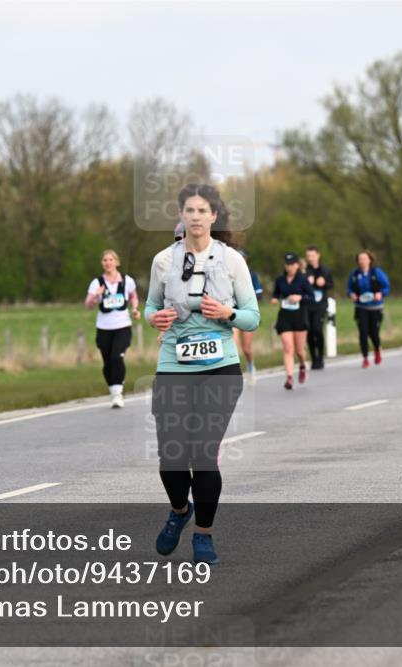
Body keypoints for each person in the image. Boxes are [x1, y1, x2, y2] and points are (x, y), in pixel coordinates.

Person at [145, 184, 259, 565]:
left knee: (203, 455)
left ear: (213, 216)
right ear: (181, 216)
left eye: (202, 210)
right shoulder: (163, 260)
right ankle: (180, 511)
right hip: (174, 366)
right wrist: (153, 318)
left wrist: (227, 315)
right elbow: (150, 307)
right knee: (171, 457)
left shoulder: (232, 261)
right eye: (188, 210)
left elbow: (253, 317)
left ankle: (204, 536)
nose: (195, 216)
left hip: (220, 368)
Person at [85, 250, 140, 408]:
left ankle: (118, 393)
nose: (108, 263)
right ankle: (113, 390)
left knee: (117, 357)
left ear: (117, 262)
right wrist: (96, 295)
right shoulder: (97, 283)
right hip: (104, 328)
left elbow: (133, 296)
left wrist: (135, 309)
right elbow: (88, 305)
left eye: (110, 259)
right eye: (104, 260)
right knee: (108, 362)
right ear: (102, 263)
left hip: (122, 326)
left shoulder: (127, 281)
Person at [272, 253, 316, 390]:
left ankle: (302, 364)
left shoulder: (302, 280)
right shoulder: (280, 280)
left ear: (297, 265)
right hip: (285, 316)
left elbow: (312, 297)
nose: (289, 267)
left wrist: (300, 298)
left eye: (292, 264)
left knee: (299, 350)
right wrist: (274, 299)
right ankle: (289, 378)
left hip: (299, 316)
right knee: (287, 347)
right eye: (287, 264)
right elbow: (276, 294)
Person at [347, 250, 390, 369]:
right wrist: (351, 294)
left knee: (374, 333)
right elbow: (349, 288)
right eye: (360, 259)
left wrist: (381, 294)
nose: (362, 261)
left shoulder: (377, 273)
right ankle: (365, 358)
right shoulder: (355, 274)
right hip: (361, 307)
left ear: (370, 260)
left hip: (375, 307)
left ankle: (377, 349)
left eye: (364, 259)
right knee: (363, 333)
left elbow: (386, 287)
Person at [231, 249, 262, 385]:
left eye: (242, 258)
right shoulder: (228, 274)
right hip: (232, 314)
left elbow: (259, 294)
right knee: (233, 345)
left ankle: (251, 366)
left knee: (247, 348)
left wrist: (245, 296)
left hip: (247, 314)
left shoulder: (251, 274)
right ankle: (234, 373)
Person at [304, 246, 334, 369]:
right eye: (308, 256)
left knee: (318, 329)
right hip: (307, 305)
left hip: (320, 305)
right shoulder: (304, 270)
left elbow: (331, 284)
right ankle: (314, 359)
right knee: (310, 333)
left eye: (312, 255)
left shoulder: (325, 270)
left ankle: (320, 358)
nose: (310, 258)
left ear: (318, 255)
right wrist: (307, 282)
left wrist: (324, 283)